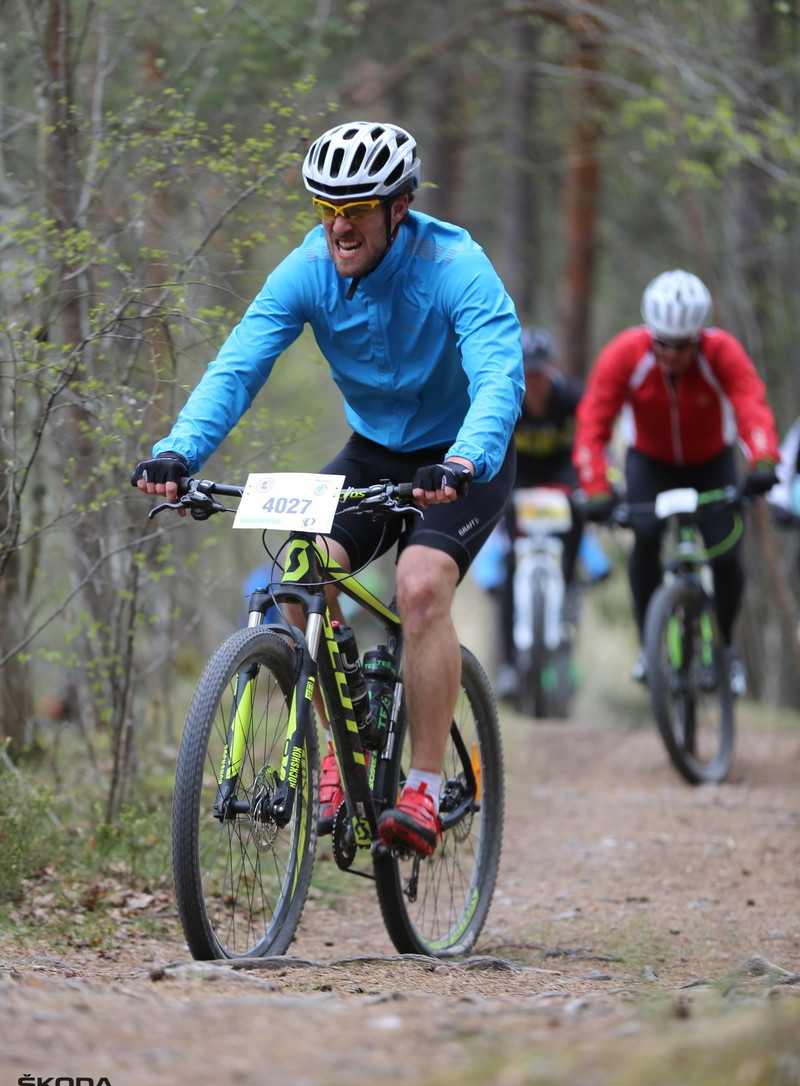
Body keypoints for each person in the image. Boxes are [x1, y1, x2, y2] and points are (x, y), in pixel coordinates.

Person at [132, 120, 524, 857]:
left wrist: (466, 460)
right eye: (325, 209)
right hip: (375, 454)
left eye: (357, 209)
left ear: (398, 206)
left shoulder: (455, 264)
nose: (339, 226)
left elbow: (499, 376)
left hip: (464, 455)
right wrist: (178, 451)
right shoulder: (306, 269)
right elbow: (238, 364)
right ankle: (340, 753)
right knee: (300, 572)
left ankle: (425, 786)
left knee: (420, 585)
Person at [573, 269, 780, 695]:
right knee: (645, 537)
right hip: (650, 462)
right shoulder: (626, 354)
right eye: (661, 342)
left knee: (725, 556)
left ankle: (724, 649)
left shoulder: (721, 351)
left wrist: (762, 459)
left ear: (697, 337)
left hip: (712, 462)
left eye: (680, 345)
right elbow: (593, 420)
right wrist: (596, 486)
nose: (669, 353)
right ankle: (650, 645)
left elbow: (750, 403)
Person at [492, 327, 588, 697]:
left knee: (578, 514)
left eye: (539, 373)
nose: (533, 381)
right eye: (526, 373)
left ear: (551, 369)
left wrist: (593, 484)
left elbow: (595, 436)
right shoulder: (507, 398)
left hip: (561, 476)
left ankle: (569, 578)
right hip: (519, 478)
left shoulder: (572, 397)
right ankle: (510, 665)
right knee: (508, 570)